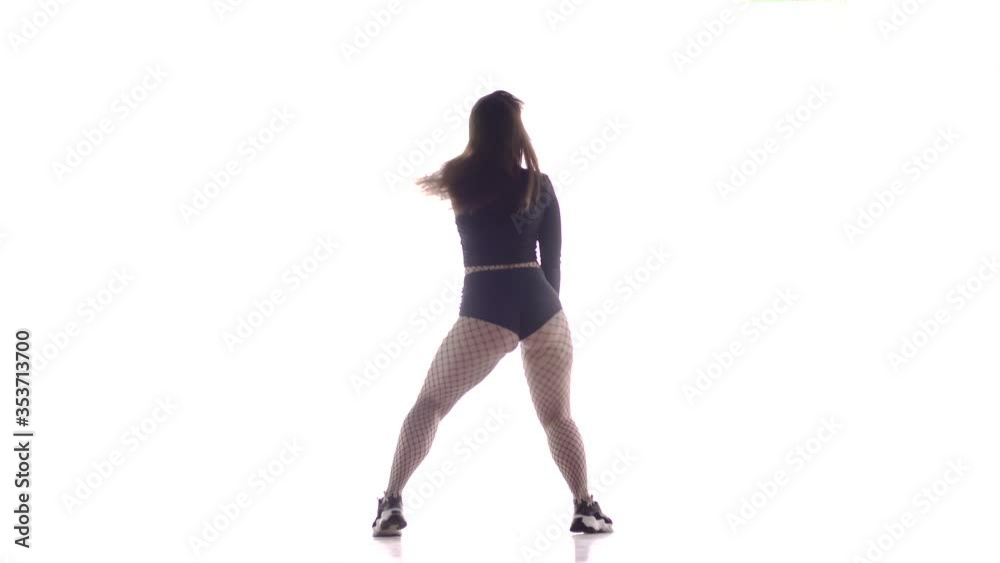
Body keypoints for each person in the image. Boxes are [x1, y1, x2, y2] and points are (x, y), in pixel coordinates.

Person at [372, 90, 613, 537]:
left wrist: (509, 316)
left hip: (487, 306)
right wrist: (539, 316)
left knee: (431, 404)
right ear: (517, 132)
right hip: (544, 308)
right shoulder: (539, 184)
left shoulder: (459, 179)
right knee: (558, 417)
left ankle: (390, 503)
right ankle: (584, 506)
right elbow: (553, 261)